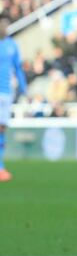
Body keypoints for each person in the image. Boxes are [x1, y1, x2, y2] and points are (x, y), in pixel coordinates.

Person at [0, 18, 27, 182]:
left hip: (5, 93)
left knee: (1, 130)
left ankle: (0, 167)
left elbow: (18, 67)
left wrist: (23, 88)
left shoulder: (12, 45)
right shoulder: (11, 46)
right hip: (5, 94)